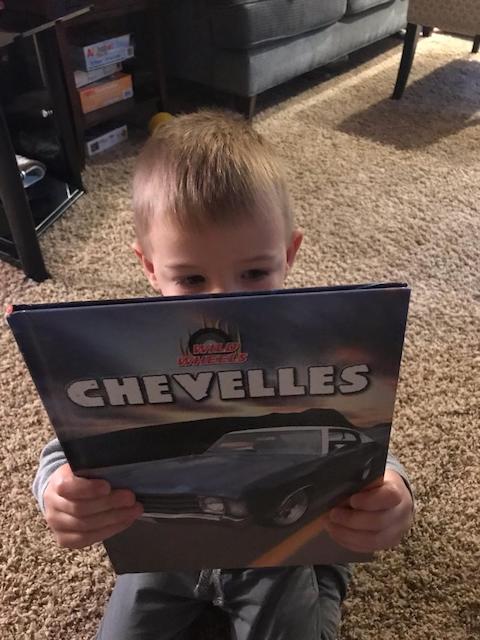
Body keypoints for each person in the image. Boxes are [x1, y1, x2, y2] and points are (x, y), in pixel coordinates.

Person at [33, 110, 414, 640]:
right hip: (163, 557)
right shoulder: (132, 358)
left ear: (289, 254)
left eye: (254, 272)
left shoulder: (311, 351)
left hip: (279, 559)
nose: (224, 303)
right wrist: (57, 490)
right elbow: (70, 447)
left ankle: (327, 577)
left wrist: (395, 489)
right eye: (191, 278)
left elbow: (368, 440)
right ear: (150, 267)